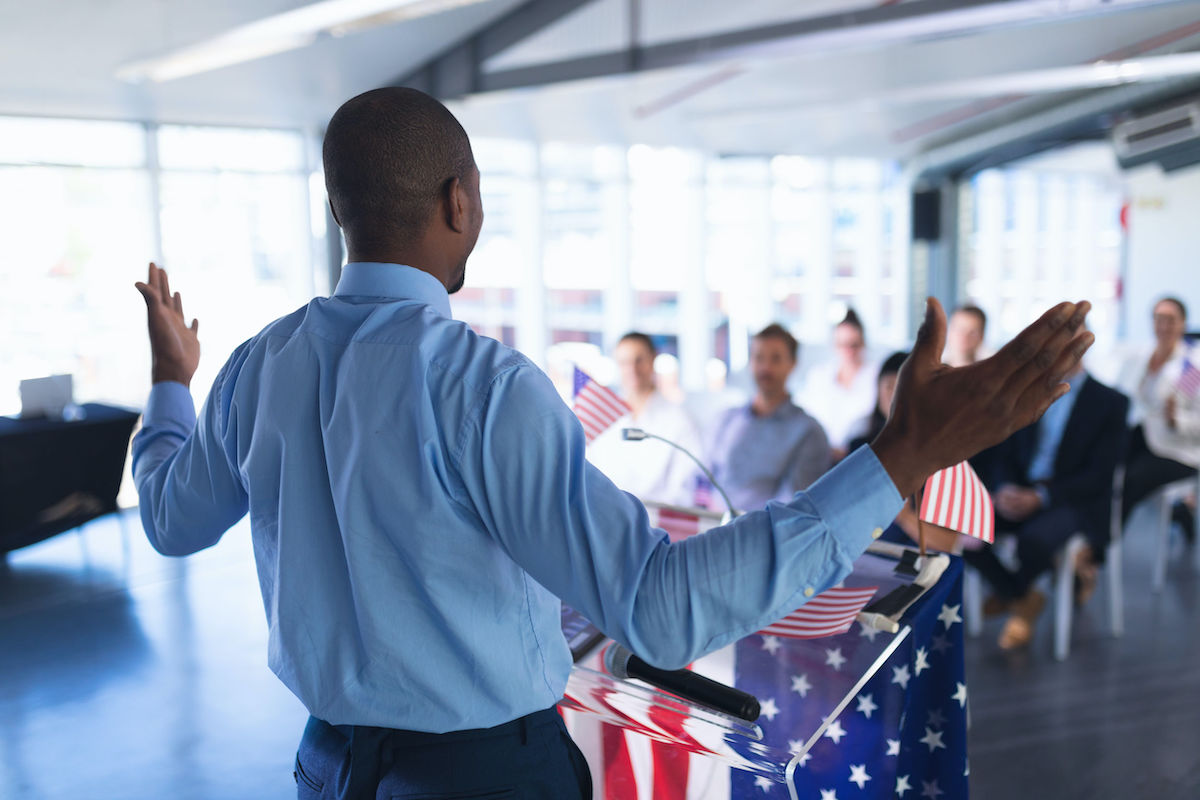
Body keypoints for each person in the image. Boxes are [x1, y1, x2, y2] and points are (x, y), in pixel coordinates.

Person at [131, 86, 1094, 800]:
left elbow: (171, 520)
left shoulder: (257, 367)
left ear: (339, 208)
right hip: (486, 779)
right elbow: (660, 611)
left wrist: (171, 377)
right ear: (461, 200)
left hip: (325, 768)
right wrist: (901, 456)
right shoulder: (480, 385)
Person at [963, 361, 1129, 649]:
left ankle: (1012, 595)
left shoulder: (1110, 401)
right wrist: (1004, 489)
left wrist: (1041, 497)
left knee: (1034, 542)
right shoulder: (1029, 393)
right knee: (962, 526)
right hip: (1022, 489)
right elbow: (1005, 451)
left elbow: (1100, 475)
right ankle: (1021, 596)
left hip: (1074, 500)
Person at [706, 324, 831, 512]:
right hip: (711, 526)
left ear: (792, 364)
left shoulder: (808, 432)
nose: (766, 367)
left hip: (761, 535)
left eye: (776, 359)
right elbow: (702, 480)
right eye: (759, 358)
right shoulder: (725, 420)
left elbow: (791, 507)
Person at [584, 332, 702, 507]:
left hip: (658, 524)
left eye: (639, 360)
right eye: (624, 362)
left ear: (653, 359)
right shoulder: (603, 418)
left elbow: (685, 489)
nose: (632, 369)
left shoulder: (679, 420)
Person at [1120, 297, 1199, 538]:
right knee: (1102, 467)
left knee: (1130, 481)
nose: (1163, 326)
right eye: (1158, 319)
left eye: (1170, 320)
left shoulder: (1192, 366)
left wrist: (1176, 420)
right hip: (1143, 438)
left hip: (1178, 451)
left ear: (1183, 324)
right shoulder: (1140, 357)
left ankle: (1095, 549)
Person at [798, 308, 877, 460]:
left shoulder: (874, 376)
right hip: (822, 455)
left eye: (854, 345)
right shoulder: (819, 377)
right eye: (843, 344)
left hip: (862, 456)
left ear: (863, 343)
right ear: (835, 345)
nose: (848, 351)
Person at [847, 350, 909, 454]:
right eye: (889, 386)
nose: (895, 395)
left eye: (902, 387)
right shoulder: (860, 436)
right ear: (878, 387)